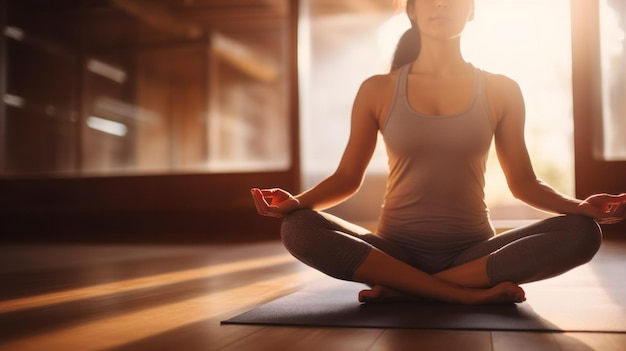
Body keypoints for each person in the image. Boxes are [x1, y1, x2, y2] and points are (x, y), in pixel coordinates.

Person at [251, 0, 626, 305]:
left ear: (473, 9)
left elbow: (524, 183)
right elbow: (347, 179)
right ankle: (458, 294)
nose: (442, 4)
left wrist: (580, 207)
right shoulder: (378, 90)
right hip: (393, 252)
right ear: (411, 9)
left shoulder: (501, 90)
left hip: (475, 255)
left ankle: (408, 288)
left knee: (583, 233)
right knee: (297, 226)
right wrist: (296, 202)